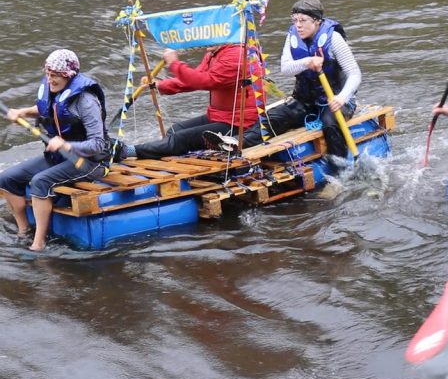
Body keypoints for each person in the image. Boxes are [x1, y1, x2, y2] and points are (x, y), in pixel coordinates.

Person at [0, 50, 111, 251]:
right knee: (7, 178)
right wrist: (24, 112)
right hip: (59, 157)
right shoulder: (54, 89)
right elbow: (47, 109)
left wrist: (66, 145)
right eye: (48, 75)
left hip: (90, 161)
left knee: (40, 181)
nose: (50, 80)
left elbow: (98, 144)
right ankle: (24, 230)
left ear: (69, 76)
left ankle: (39, 243)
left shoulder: (86, 101)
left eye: (55, 76)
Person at [249, 0, 361, 159]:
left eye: (303, 20)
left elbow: (355, 74)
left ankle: (340, 167)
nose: (298, 25)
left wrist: (342, 98)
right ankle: (236, 147)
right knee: (272, 118)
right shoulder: (293, 35)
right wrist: (307, 62)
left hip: (335, 100)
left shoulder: (333, 39)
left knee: (330, 124)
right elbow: (285, 68)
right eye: (295, 20)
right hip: (304, 100)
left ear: (316, 21)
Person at [119, 45, 262, 160]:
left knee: (181, 138)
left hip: (240, 123)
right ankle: (181, 155)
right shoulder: (215, 53)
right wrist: (160, 85)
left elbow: (204, 81)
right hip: (220, 116)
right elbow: (193, 79)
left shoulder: (237, 54)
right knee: (175, 130)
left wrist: (174, 63)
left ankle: (128, 151)